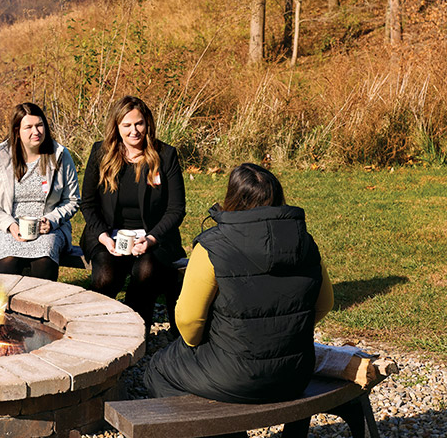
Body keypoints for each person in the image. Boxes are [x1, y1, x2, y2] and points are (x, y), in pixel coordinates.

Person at [144, 163, 334, 430]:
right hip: (295, 373)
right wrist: (286, 332)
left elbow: (188, 323)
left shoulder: (213, 245)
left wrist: (204, 342)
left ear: (232, 198)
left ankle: (220, 435)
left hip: (234, 376)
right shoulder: (305, 241)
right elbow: (325, 304)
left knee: (158, 369)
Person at [80, 95, 186, 332]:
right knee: (105, 275)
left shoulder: (165, 155)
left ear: (147, 123)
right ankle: (95, 329)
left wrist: (151, 239)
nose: (134, 131)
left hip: (153, 236)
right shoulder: (101, 152)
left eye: (138, 123)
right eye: (126, 125)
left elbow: (176, 209)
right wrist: (104, 237)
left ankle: (134, 332)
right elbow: (87, 203)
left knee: (146, 272)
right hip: (108, 234)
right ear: (116, 127)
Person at [0, 102, 81, 281]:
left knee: (44, 258)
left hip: (46, 228)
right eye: (29, 127)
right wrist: (9, 225)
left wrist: (52, 221)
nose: (36, 132)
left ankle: (42, 306)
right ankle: (3, 306)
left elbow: (72, 200)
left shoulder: (60, 155)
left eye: (40, 125)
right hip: (5, 225)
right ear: (17, 130)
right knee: (8, 259)